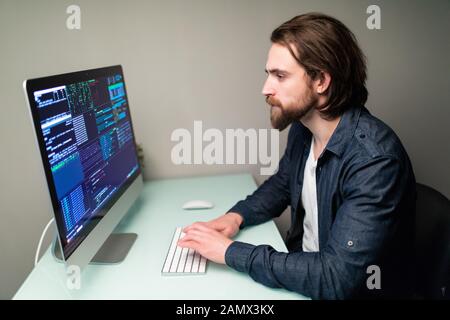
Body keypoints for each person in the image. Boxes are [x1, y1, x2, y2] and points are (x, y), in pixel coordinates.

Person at [178, 12, 416, 299]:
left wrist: (230, 252)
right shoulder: (304, 130)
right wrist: (236, 216)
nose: (266, 89)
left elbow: (336, 278)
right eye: (268, 74)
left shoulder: (374, 162)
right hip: (306, 279)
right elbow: (282, 183)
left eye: (280, 76)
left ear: (320, 81)